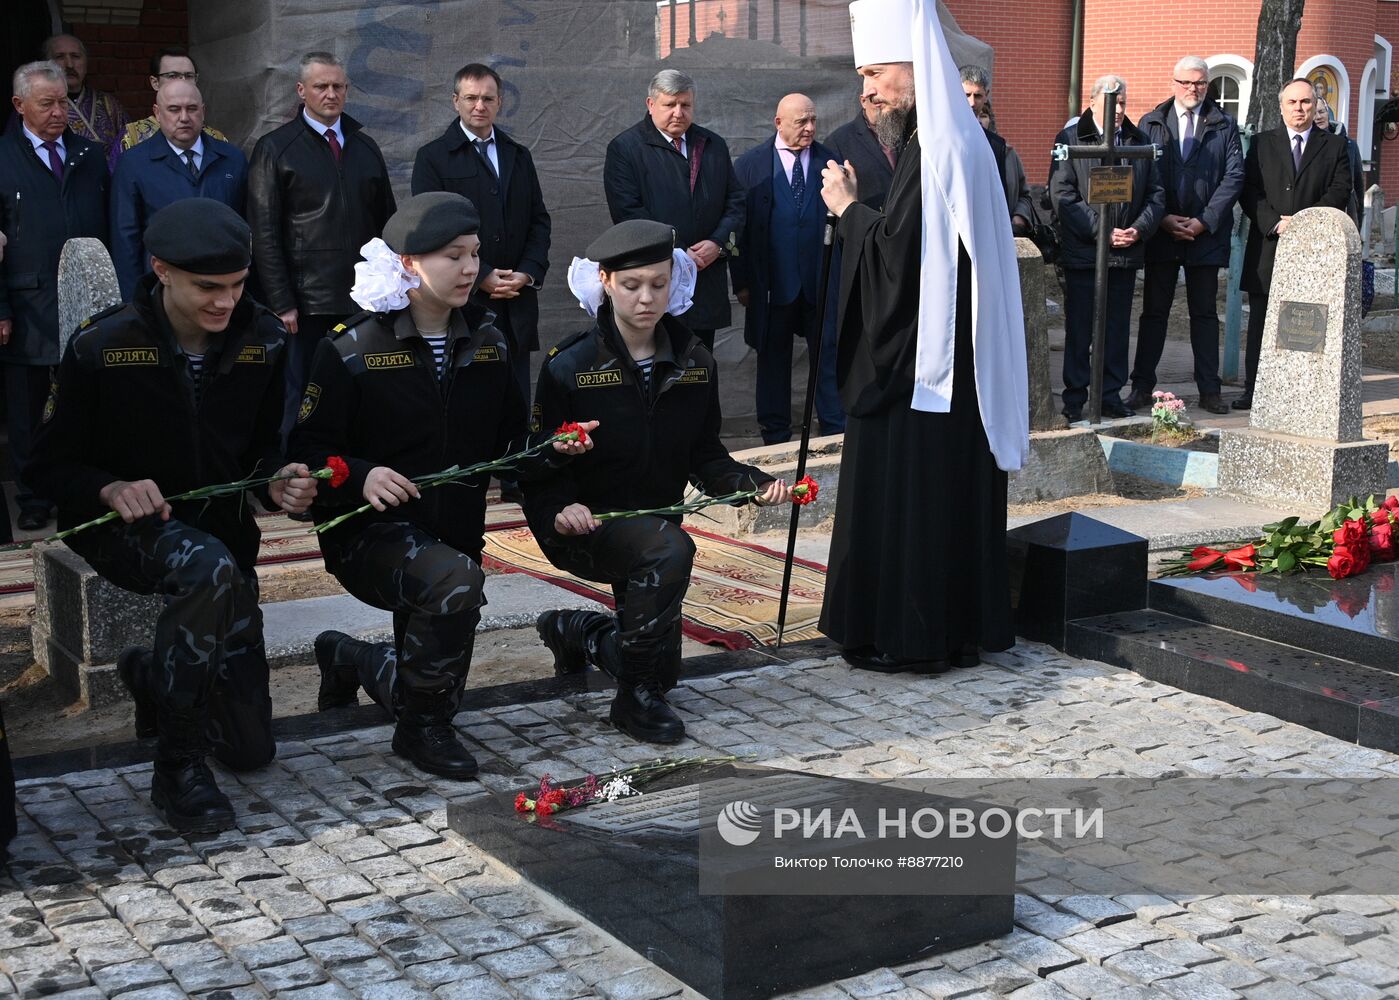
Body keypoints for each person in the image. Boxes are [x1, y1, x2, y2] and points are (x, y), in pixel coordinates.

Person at [27, 200, 319, 833]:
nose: (226, 303)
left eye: (238, 286)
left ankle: (153, 676)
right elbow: (45, 468)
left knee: (250, 750)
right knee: (206, 569)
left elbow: (267, 447)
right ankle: (177, 767)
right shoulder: (101, 345)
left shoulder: (264, 337)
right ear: (161, 270)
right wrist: (109, 489)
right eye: (208, 288)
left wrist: (278, 483)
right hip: (128, 533)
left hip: (222, 536)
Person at [292, 193, 591, 779]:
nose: (469, 269)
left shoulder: (489, 340)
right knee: (454, 591)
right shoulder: (351, 348)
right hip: (371, 535)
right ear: (408, 263)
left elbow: (510, 446)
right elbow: (306, 452)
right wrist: (360, 474)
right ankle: (420, 733)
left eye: (475, 254)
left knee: (433, 667)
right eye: (452, 256)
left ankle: (352, 658)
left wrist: (552, 448)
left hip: (453, 533)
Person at [819, 0, 1028, 673]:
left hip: (922, 372)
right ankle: (954, 631)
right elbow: (913, 247)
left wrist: (849, 213)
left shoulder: (934, 146)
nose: (867, 90)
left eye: (876, 73)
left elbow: (895, 261)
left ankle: (912, 638)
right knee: (948, 500)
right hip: (952, 362)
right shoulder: (952, 139)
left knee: (912, 501)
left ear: (913, 69)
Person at [525, 219, 789, 743]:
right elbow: (531, 463)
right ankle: (633, 701)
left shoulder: (695, 361)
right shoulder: (570, 365)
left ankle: (578, 630)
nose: (647, 298)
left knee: (664, 667)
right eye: (631, 285)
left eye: (659, 284)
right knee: (668, 557)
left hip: (655, 526)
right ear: (604, 281)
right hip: (587, 525)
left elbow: (705, 454)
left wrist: (749, 481)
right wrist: (561, 501)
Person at [412, 62, 551, 502]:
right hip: (462, 301)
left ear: (500, 102)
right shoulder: (433, 158)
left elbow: (539, 221)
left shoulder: (517, 154)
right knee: (467, 387)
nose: (479, 105)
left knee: (514, 390)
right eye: (471, 98)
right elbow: (428, 230)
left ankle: (515, 474)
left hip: (516, 299)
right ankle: (463, 472)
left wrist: (526, 272)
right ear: (455, 101)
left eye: (488, 98)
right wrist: (483, 275)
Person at [248, 51, 396, 441]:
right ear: (302, 91)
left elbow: (387, 226)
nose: (330, 94)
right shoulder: (275, 148)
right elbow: (263, 231)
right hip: (306, 302)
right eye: (321, 86)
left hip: (364, 299)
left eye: (337, 86)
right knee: (301, 396)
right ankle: (294, 480)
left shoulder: (366, 148)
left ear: (347, 90)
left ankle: (350, 475)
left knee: (360, 388)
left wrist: (392, 288)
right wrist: (281, 300)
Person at [1, 60, 109, 531]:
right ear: (19, 105)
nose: (58, 112)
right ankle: (32, 496)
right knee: (27, 409)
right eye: (46, 103)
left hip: (84, 297)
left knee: (81, 400)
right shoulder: (3, 156)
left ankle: (78, 491)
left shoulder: (90, 154)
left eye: (63, 101)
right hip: (26, 299)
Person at [1129, 56, 1243, 416]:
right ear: (1173, 82)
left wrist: (1204, 221)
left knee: (1205, 315)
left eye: (1200, 83)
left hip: (1204, 236)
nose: (1193, 89)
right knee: (1154, 315)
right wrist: (1160, 218)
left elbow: (1234, 177)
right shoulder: (1151, 122)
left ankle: (1210, 391)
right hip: (1162, 233)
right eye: (1186, 82)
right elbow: (1141, 175)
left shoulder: (1224, 124)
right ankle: (1141, 387)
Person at [603, 70, 744, 351]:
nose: (678, 112)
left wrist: (718, 243)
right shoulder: (625, 149)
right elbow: (628, 212)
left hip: (705, 282)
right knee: (656, 371)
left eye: (685, 105)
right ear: (651, 104)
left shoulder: (713, 145)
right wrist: (679, 251)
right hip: (654, 285)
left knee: (699, 370)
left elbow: (736, 201)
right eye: (670, 105)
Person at [732, 93, 844, 445]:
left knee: (828, 356)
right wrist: (742, 283)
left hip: (820, 282)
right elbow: (738, 228)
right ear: (778, 123)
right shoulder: (750, 166)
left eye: (813, 120)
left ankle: (833, 430)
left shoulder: (832, 162)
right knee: (772, 361)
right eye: (801, 122)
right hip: (771, 286)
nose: (810, 128)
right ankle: (777, 435)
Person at [1051, 74, 1164, 421]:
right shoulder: (1071, 138)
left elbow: (1156, 194)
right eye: (1110, 102)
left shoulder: (1137, 140)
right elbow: (1062, 195)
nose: (1117, 110)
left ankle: (1110, 396)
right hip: (1085, 253)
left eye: (1123, 103)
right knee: (1081, 328)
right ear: (1092, 102)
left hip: (1124, 252)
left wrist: (1137, 229)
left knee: (1116, 329)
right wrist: (1103, 230)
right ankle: (1074, 399)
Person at [1238, 78, 1352, 409]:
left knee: (1307, 322)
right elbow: (1249, 190)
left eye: (1306, 102)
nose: (1299, 109)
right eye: (1293, 102)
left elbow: (1340, 189)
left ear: (1316, 105)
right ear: (1281, 106)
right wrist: (1274, 222)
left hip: (1312, 250)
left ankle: (1302, 393)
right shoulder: (1261, 144)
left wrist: (1303, 224)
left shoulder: (1334, 146)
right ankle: (1254, 389)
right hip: (1268, 246)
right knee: (1261, 320)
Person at [110, 80, 248, 298]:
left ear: (203, 111)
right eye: (174, 109)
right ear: (157, 113)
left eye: (192, 109)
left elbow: (246, 229)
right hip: (163, 292)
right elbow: (126, 239)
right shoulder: (133, 164)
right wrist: (133, 302)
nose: (184, 118)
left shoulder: (232, 159)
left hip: (223, 289)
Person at [960, 64, 1031, 236]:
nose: (971, 102)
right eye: (966, 94)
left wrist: (1019, 217)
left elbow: (1021, 193)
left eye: (977, 96)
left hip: (993, 232)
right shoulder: (941, 139)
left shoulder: (999, 147)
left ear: (986, 97)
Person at [43, 34, 128, 172]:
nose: (69, 64)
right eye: (60, 57)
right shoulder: (35, 106)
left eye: (76, 56)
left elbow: (131, 146)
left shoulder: (109, 104)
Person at [120, 47, 229, 151]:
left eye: (189, 76)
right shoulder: (132, 136)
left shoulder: (216, 139)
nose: (182, 81)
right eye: (172, 75)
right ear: (155, 82)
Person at [825, 80, 897, 212]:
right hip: (866, 223)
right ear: (863, 101)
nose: (882, 107)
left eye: (886, 102)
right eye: (876, 102)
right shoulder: (839, 141)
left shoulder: (906, 131)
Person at [1314, 99, 1364, 229]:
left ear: (1328, 113)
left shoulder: (1349, 145)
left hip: (1345, 212)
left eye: (1321, 111)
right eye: (1314, 113)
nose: (1318, 117)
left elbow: (1358, 184)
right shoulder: (1305, 146)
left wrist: (1358, 218)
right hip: (1316, 213)